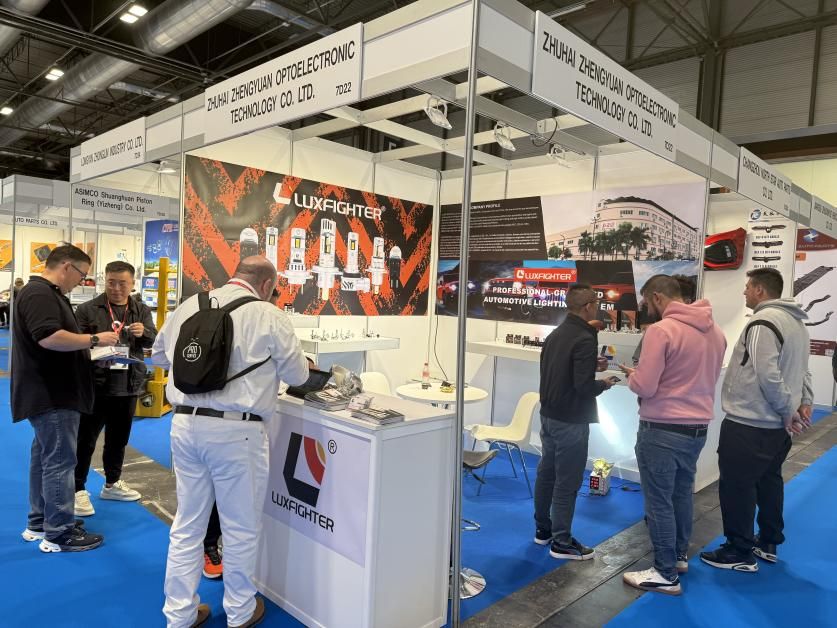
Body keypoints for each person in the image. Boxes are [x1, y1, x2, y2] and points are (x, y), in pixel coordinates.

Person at [153, 256, 309, 628]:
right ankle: (240, 611)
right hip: (237, 432)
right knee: (240, 527)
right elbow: (299, 375)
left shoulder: (190, 305)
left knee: (187, 525)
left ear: (235, 274)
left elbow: (159, 355)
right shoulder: (269, 315)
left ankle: (179, 615)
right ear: (268, 285)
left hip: (184, 424)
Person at [618, 275, 725, 595]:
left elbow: (646, 386)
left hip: (662, 428)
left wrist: (634, 377)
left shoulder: (661, 331)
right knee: (680, 495)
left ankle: (665, 572)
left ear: (657, 297)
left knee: (659, 502)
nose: (645, 308)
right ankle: (678, 557)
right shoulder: (716, 332)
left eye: (646, 302)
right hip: (697, 429)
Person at [701, 268, 813, 572]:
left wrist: (788, 411)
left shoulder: (763, 322)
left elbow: (768, 375)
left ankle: (739, 551)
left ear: (760, 290)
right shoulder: (796, 323)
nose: (745, 292)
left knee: (737, 486)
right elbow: (803, 370)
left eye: (748, 287)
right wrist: (803, 403)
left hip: (752, 424)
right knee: (768, 481)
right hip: (774, 427)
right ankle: (768, 541)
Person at [11, 245, 119, 552]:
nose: (82, 281)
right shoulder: (40, 294)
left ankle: (41, 522)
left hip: (49, 391)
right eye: (83, 275)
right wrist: (95, 339)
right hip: (53, 394)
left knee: (45, 460)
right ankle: (59, 532)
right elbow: (49, 337)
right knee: (59, 462)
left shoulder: (43, 293)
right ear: (67, 266)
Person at [534, 283, 618, 560]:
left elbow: (560, 370)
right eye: (596, 302)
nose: (598, 306)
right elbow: (583, 387)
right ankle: (562, 541)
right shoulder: (584, 338)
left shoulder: (557, 334)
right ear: (589, 306)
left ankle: (543, 530)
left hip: (549, 415)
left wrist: (589, 365)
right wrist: (604, 383)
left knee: (547, 474)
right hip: (571, 419)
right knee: (567, 482)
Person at [73, 261, 157, 516]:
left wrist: (144, 333)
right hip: (95, 385)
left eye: (123, 283)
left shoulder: (141, 310)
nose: (117, 288)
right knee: (84, 440)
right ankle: (77, 489)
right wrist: (96, 342)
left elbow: (153, 339)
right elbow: (75, 344)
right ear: (105, 280)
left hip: (128, 385)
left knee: (118, 440)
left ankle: (112, 483)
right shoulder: (87, 309)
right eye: (111, 282)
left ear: (132, 284)